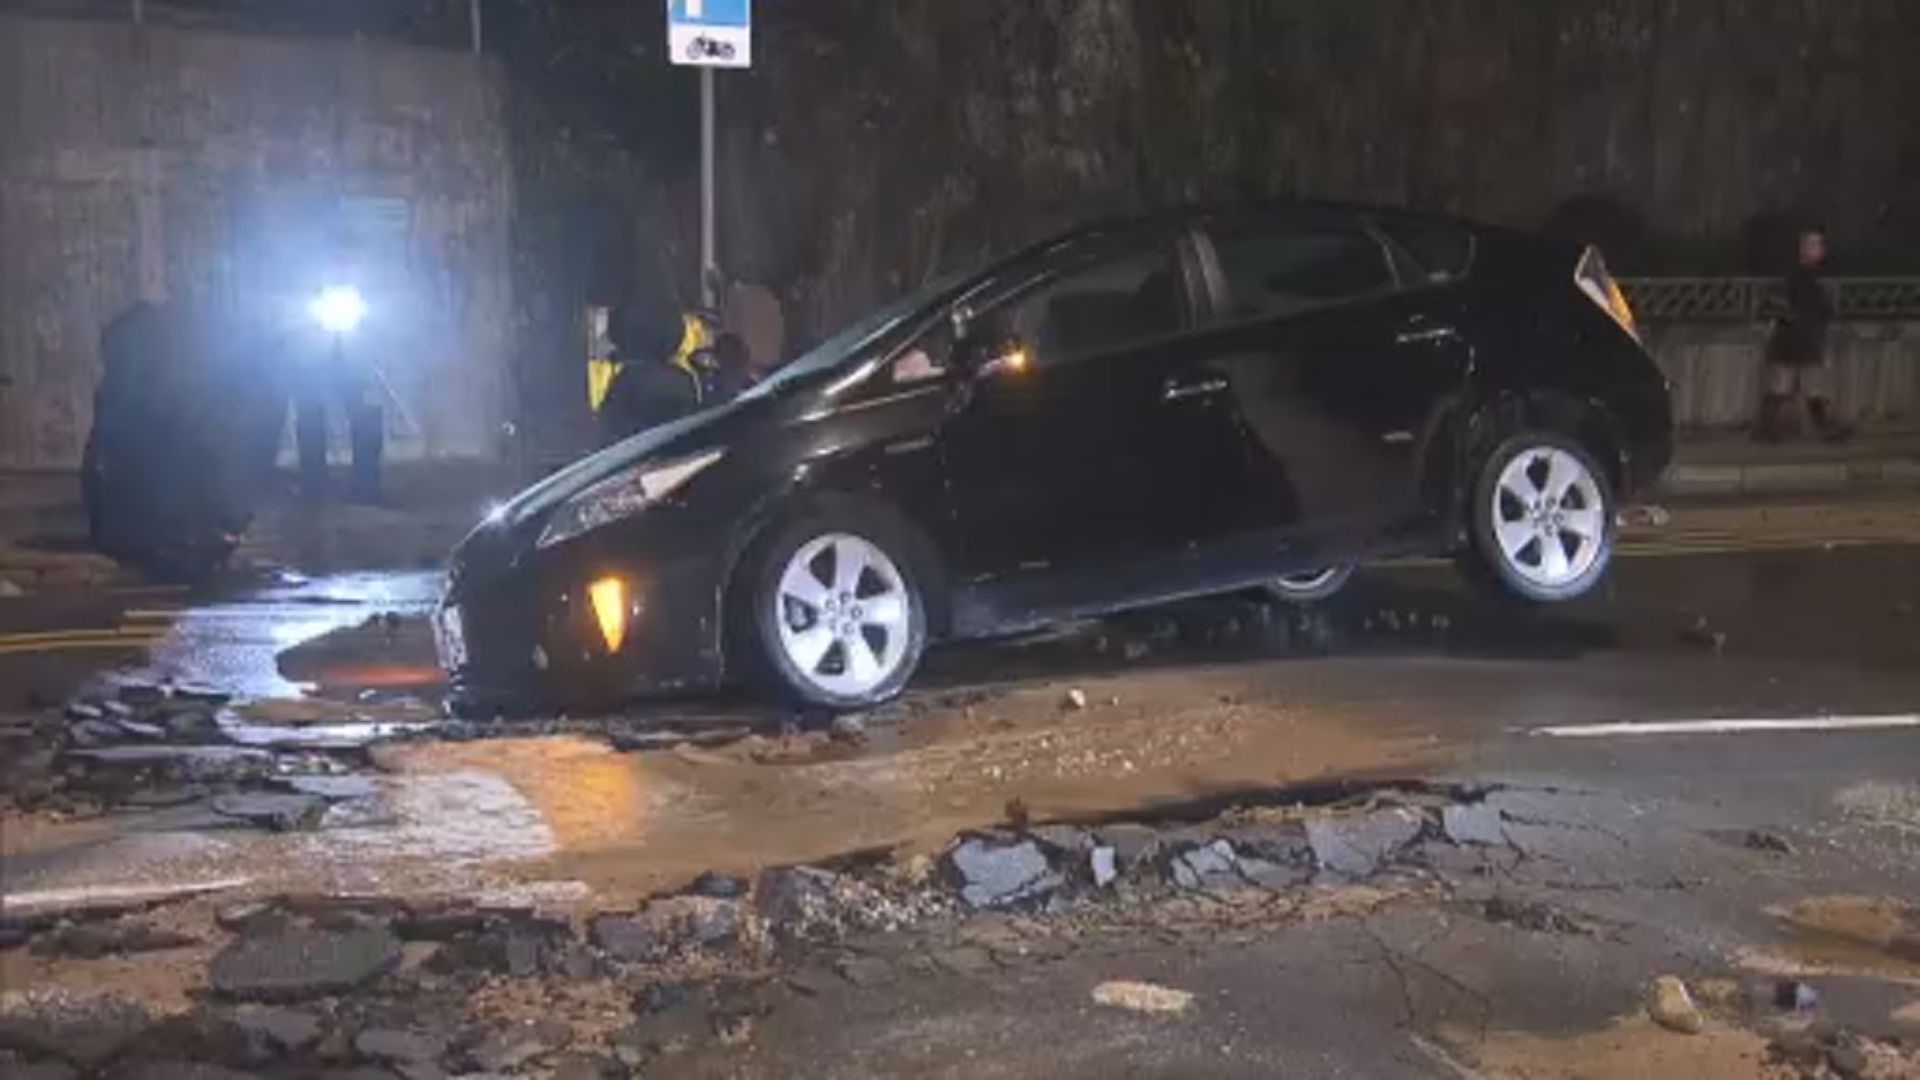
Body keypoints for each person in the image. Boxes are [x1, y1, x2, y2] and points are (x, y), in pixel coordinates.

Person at [1757, 228, 1851, 443]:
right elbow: (1806, 308)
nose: (1821, 250)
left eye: (1820, 245)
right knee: (1792, 385)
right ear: (1805, 249)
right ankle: (1769, 429)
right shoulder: (1801, 276)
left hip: (1798, 337)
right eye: (1816, 245)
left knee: (1803, 386)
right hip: (1798, 338)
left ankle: (1769, 429)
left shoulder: (1806, 276)